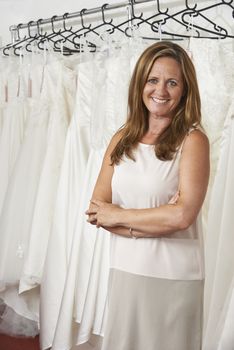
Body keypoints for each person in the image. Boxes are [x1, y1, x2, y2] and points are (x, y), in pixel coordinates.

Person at [86, 41, 210, 350]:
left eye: (172, 82)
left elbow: (182, 216)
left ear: (185, 90)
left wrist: (120, 216)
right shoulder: (122, 138)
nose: (161, 91)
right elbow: (96, 212)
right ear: (140, 83)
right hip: (125, 270)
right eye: (153, 80)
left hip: (173, 276)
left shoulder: (193, 141)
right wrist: (154, 220)